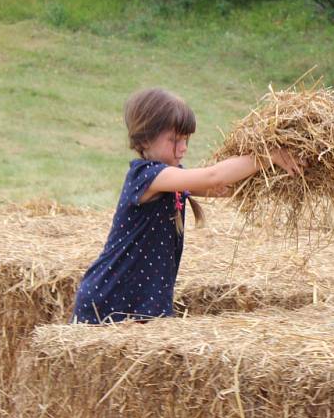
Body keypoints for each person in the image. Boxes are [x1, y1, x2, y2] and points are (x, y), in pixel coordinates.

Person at [70, 87, 302, 324]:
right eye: (174, 139)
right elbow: (214, 177)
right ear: (145, 139)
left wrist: (276, 177)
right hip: (110, 300)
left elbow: (227, 188)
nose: (183, 148)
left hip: (144, 303)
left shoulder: (174, 178)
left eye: (186, 139)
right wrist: (267, 155)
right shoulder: (146, 176)